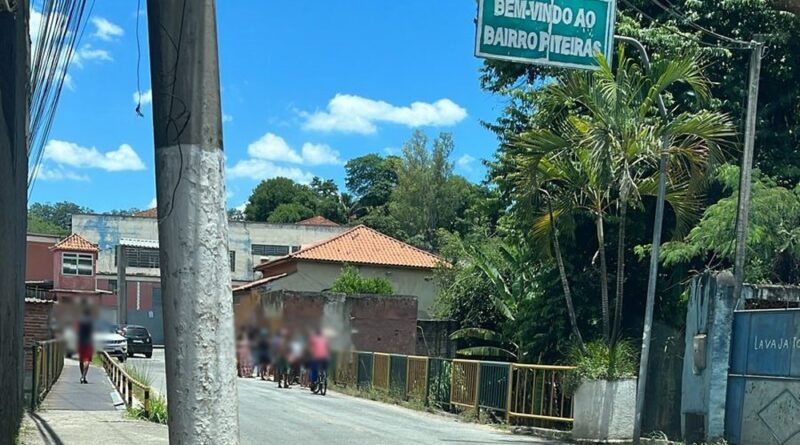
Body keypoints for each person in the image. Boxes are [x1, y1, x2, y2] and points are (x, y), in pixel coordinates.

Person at [77, 308, 94, 384]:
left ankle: (83, 377)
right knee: (87, 360)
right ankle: (83, 376)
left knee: (81, 360)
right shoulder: (90, 321)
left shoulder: (80, 321)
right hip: (88, 342)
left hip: (80, 342)